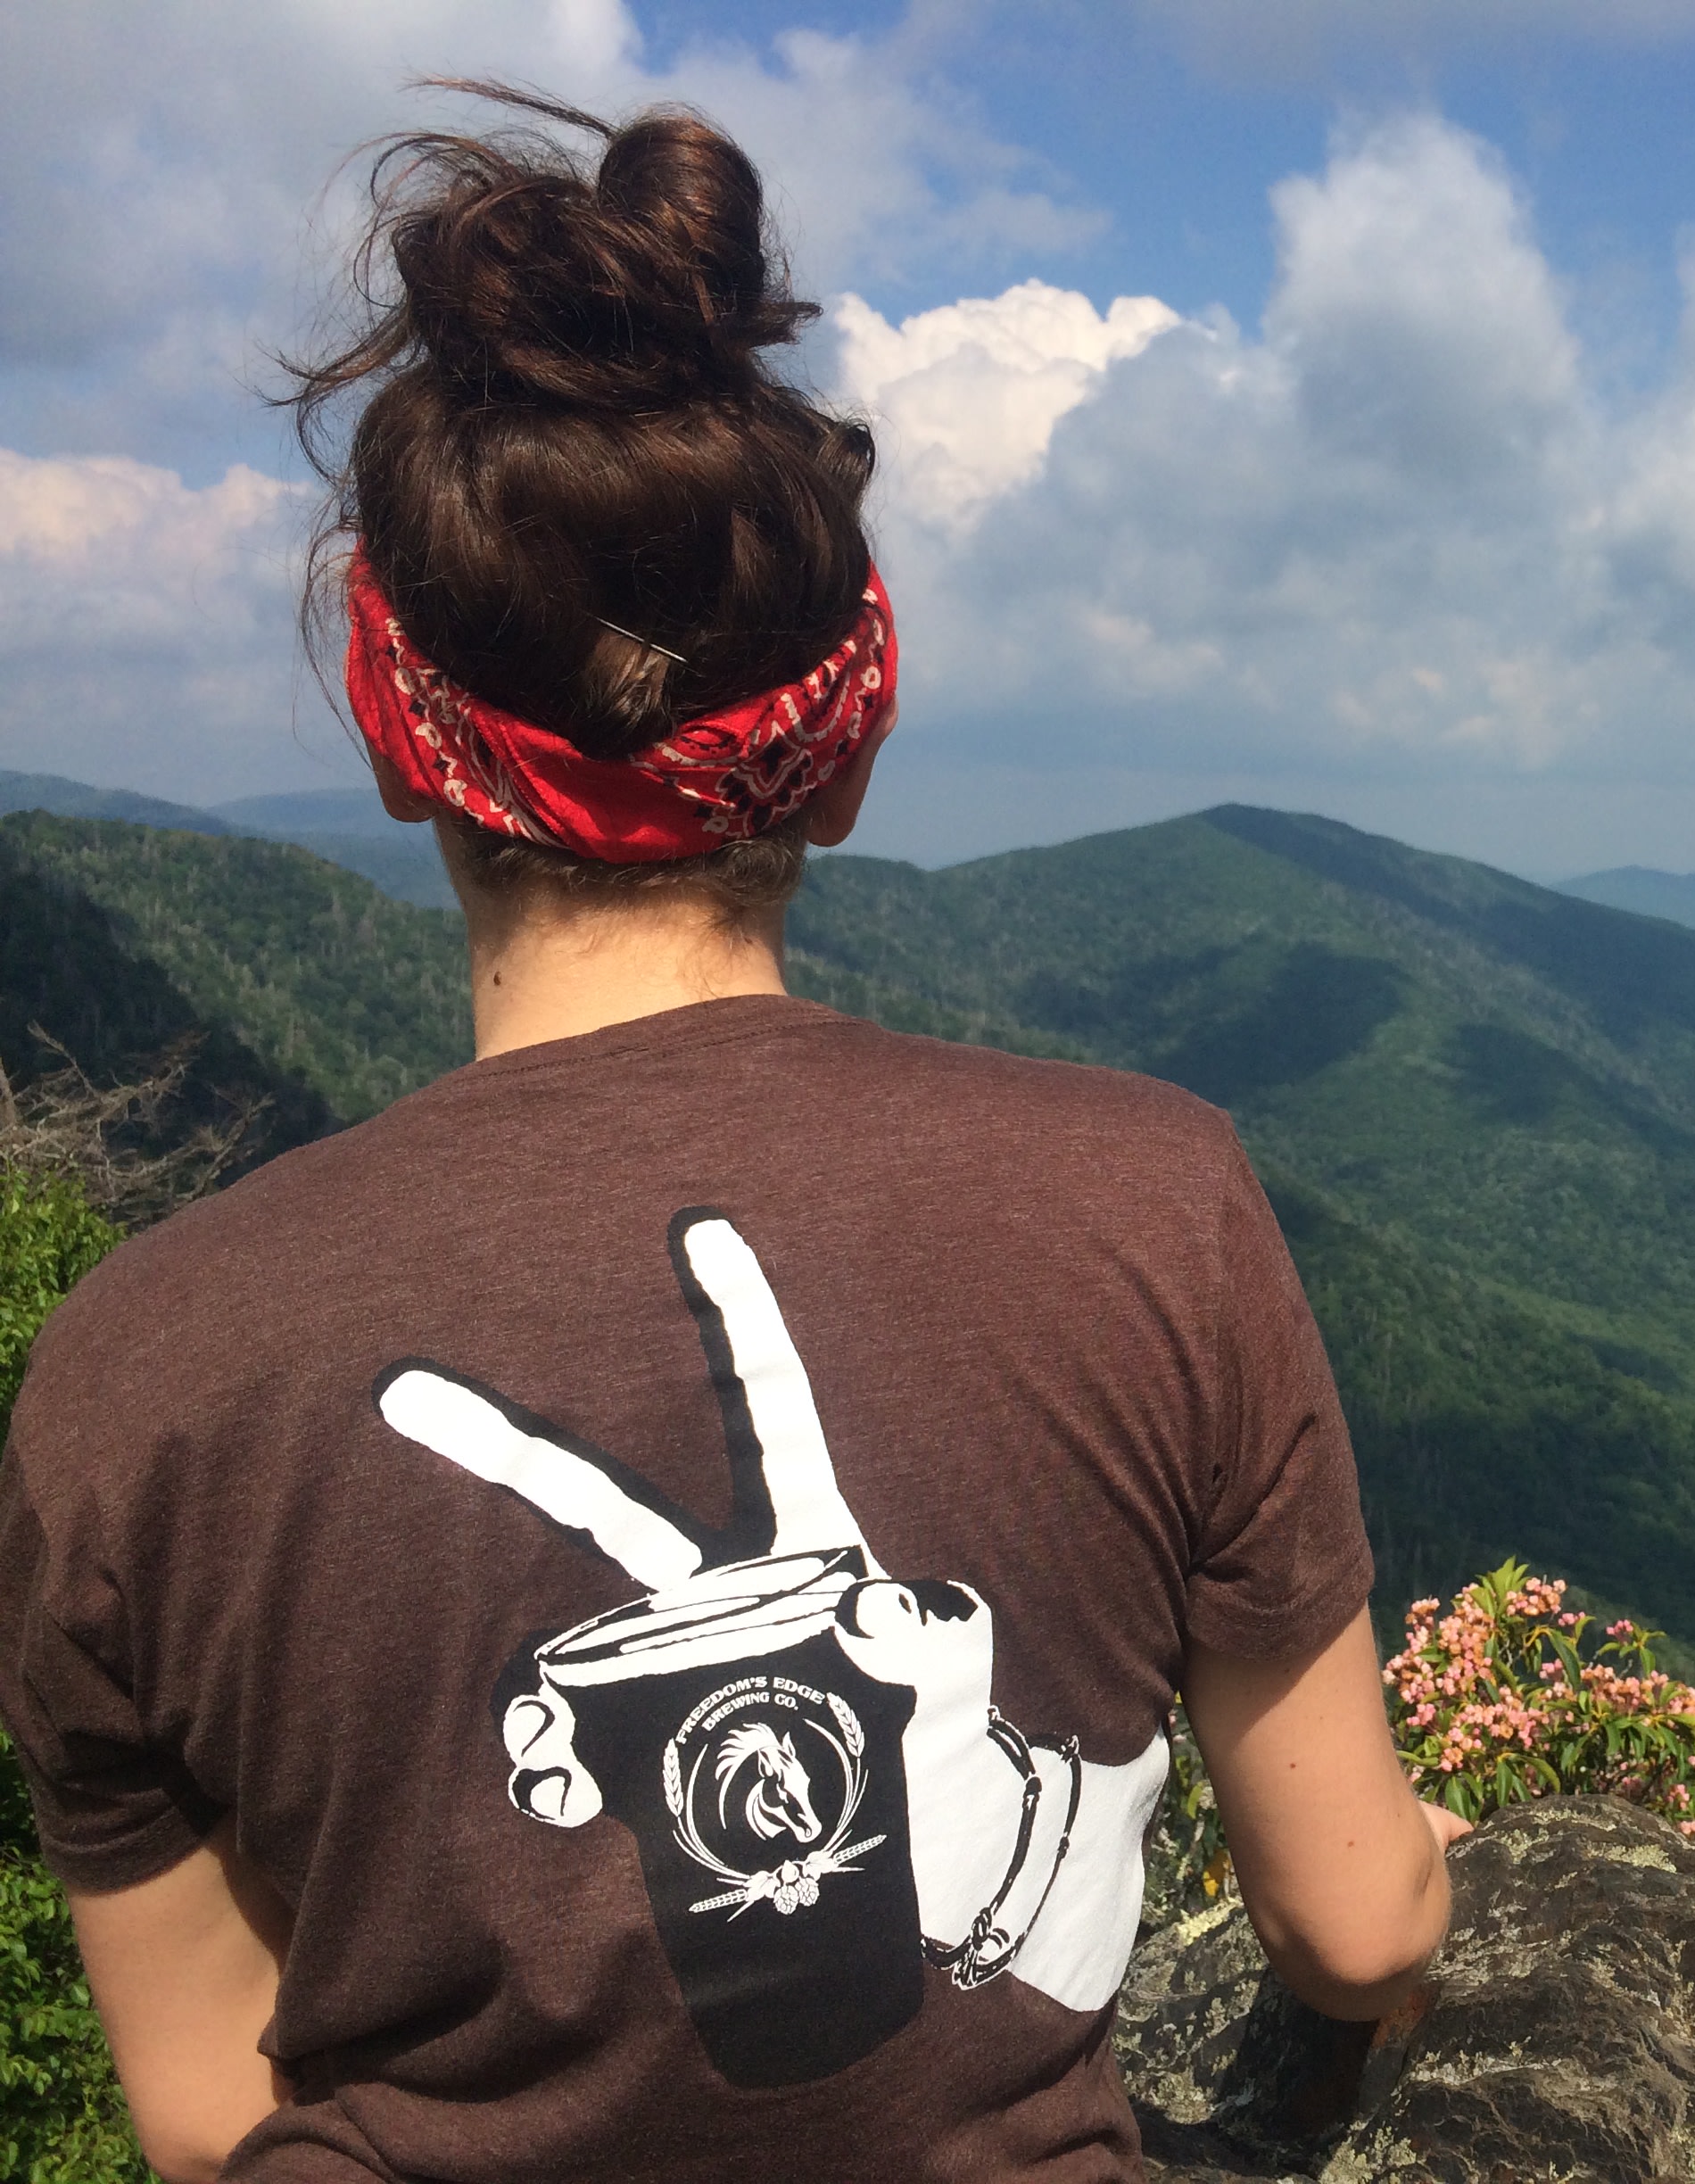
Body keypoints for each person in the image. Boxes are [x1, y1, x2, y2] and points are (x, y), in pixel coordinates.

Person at [0, 88, 1462, 2183]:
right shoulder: (1157, 1207)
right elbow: (1357, 1919)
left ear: (387, 714)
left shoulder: (128, 1374)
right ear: (849, 734)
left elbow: (216, 2109)